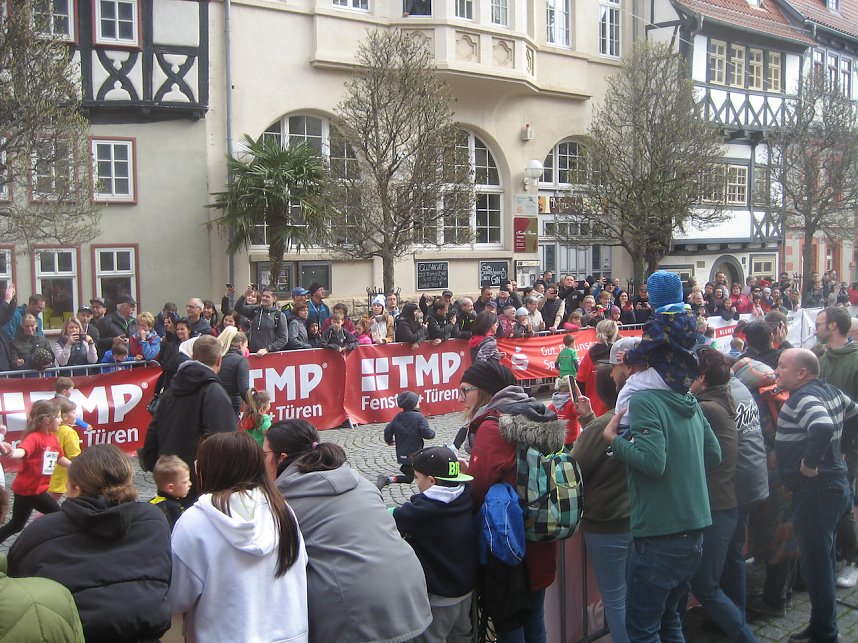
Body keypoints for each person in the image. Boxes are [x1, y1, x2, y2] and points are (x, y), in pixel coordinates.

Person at [267, 420, 432, 643]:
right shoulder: (362, 483)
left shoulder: (282, 503)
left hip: (355, 613)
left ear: (281, 458)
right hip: (410, 594)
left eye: (264, 453)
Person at [601, 339, 721, 642]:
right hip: (694, 530)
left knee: (642, 630)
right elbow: (714, 455)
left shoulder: (643, 402)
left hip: (659, 534)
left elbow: (653, 464)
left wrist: (613, 439)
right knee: (670, 621)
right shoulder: (688, 400)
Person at [7, 444, 172, 642]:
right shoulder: (153, 519)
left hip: (75, 635)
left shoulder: (40, 531)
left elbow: (17, 584)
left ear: (75, 487)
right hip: (145, 634)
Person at [458, 360, 565, 641]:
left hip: (508, 541)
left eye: (465, 390)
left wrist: (464, 469)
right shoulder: (536, 412)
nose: (462, 398)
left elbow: (478, 487)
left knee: (510, 621)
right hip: (541, 529)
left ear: (483, 391)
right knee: (535, 618)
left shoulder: (493, 427)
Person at [168, 432, 308, 643]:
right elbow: (301, 565)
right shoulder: (281, 511)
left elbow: (176, 598)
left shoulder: (195, 522)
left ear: (209, 469)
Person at [774, 348, 858, 643]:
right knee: (820, 561)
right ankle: (821, 623)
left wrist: (811, 464)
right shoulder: (830, 390)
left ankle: (826, 633)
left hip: (818, 493)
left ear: (802, 373)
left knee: (818, 567)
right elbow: (853, 411)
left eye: (782, 366)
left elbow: (822, 426)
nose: (776, 370)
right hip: (830, 488)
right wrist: (842, 449)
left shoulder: (804, 397)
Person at [687, 348, 758, 642]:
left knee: (705, 586)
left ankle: (744, 636)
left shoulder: (704, 408)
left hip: (717, 506)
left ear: (701, 377)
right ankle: (736, 626)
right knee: (730, 567)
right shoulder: (719, 398)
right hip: (727, 501)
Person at [572, 355, 632, 643]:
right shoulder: (638, 415)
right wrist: (588, 419)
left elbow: (574, 469)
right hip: (637, 518)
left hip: (608, 523)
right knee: (634, 593)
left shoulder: (604, 425)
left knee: (616, 598)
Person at [391, 447, 477, 643]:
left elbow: (393, 516)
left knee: (430, 638)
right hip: (465, 587)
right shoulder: (464, 496)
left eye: (418, 477)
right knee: (462, 635)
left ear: (431, 481)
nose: (416, 483)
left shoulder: (424, 510)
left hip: (440, 594)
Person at [141, 335, 238, 506]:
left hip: (171, 480)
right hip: (200, 487)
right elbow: (225, 445)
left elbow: (153, 431)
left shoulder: (171, 391)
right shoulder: (214, 393)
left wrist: (156, 467)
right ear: (219, 360)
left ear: (193, 357)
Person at [617, 271, 698, 435]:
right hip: (687, 370)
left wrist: (627, 357)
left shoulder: (659, 322)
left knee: (629, 389)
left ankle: (623, 428)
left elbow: (646, 348)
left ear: (654, 298)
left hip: (666, 372)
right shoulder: (690, 316)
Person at [816, 306, 858, 586]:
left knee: (843, 500)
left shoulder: (855, 362)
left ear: (832, 326)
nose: (816, 328)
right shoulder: (820, 355)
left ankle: (852, 559)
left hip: (845, 444)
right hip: (820, 440)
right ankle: (830, 554)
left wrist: (847, 445)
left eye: (819, 324)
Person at [0, 400, 71, 545]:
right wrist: (11, 452)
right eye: (58, 416)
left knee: (17, 524)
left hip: (30, 489)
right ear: (46, 420)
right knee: (59, 516)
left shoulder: (53, 439)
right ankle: (51, 544)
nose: (61, 420)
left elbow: (60, 458)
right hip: (30, 490)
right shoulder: (34, 438)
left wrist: (78, 465)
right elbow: (22, 451)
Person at [377, 391, 436, 489]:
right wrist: (432, 433)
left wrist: (389, 440)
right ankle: (386, 479)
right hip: (415, 454)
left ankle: (399, 474)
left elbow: (388, 430)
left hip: (402, 453)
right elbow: (427, 433)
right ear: (414, 404)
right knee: (413, 475)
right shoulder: (419, 417)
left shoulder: (398, 417)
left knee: (411, 474)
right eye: (418, 401)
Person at [576, 319, 620, 416]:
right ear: (615, 333)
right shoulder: (620, 354)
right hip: (618, 409)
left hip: (594, 411)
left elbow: (580, 383)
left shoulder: (589, 356)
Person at [234, 285, 288, 355]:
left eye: (268, 297)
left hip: (269, 355)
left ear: (274, 299)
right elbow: (238, 308)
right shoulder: (256, 310)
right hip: (253, 354)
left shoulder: (279, 315)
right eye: (263, 296)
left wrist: (268, 349)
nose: (264, 298)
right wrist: (245, 295)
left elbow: (283, 339)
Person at [47, 398, 83, 501]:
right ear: (64, 416)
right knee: (51, 501)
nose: (76, 415)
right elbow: (74, 455)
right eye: (74, 412)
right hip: (62, 473)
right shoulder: (69, 432)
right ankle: (39, 517)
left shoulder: (53, 429)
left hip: (50, 471)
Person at [149, 454, 191, 531]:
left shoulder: (152, 502)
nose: (190, 484)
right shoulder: (173, 508)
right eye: (185, 482)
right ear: (171, 488)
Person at [216, 327, 250, 417]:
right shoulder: (241, 361)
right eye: (246, 347)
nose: (246, 350)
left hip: (215, 401)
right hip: (232, 403)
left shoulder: (218, 357)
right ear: (240, 345)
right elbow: (244, 389)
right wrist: (255, 405)